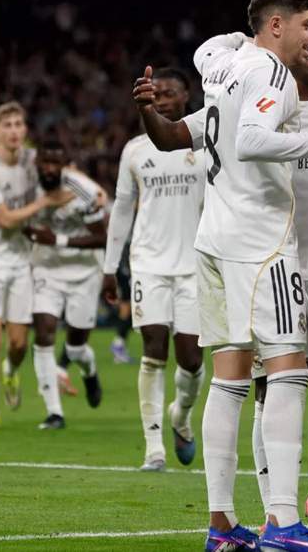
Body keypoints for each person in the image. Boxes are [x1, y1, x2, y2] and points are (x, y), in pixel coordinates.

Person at [138, 0, 308, 549]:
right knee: (287, 373)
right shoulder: (270, 72)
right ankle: (285, 523)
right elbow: (255, 140)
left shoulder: (228, 68)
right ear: (277, 24)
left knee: (231, 380)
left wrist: (148, 109)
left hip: (214, 239)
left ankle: (219, 526)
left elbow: (173, 135)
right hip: (260, 243)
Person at [105, 66, 207, 470]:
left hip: (195, 264)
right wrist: (110, 266)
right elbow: (121, 209)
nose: (162, 99)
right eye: (156, 93)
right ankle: (153, 448)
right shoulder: (134, 150)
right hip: (148, 263)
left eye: (170, 93)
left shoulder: (203, 145)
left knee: (192, 360)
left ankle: (180, 415)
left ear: (186, 96)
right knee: (152, 348)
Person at [0, 101, 72, 431]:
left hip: (21, 259)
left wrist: (92, 195)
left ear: (25, 130)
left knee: (18, 344)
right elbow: (4, 219)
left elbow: (67, 175)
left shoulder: (33, 161)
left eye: (18, 124)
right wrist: (44, 202)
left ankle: (11, 372)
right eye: (7, 125)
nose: (13, 130)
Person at [22, 140, 106, 430]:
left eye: (55, 163)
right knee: (44, 333)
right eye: (45, 162)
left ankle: (89, 369)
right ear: (37, 163)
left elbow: (102, 237)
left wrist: (57, 240)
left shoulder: (82, 191)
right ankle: (54, 412)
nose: (49, 168)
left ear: (64, 165)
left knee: (75, 348)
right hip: (46, 269)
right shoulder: (27, 189)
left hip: (83, 272)